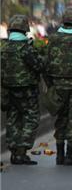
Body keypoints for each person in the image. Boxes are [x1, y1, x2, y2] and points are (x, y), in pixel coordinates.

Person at [45, 7, 72, 166]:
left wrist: (51, 85)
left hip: (57, 85)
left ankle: (60, 155)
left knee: (61, 119)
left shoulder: (54, 38)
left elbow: (46, 63)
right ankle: (70, 154)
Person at [1, 15, 45, 165]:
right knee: (31, 118)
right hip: (27, 91)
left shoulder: (3, 48)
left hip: (8, 89)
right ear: (25, 29)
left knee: (12, 119)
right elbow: (39, 66)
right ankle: (21, 151)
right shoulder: (26, 48)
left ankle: (13, 152)